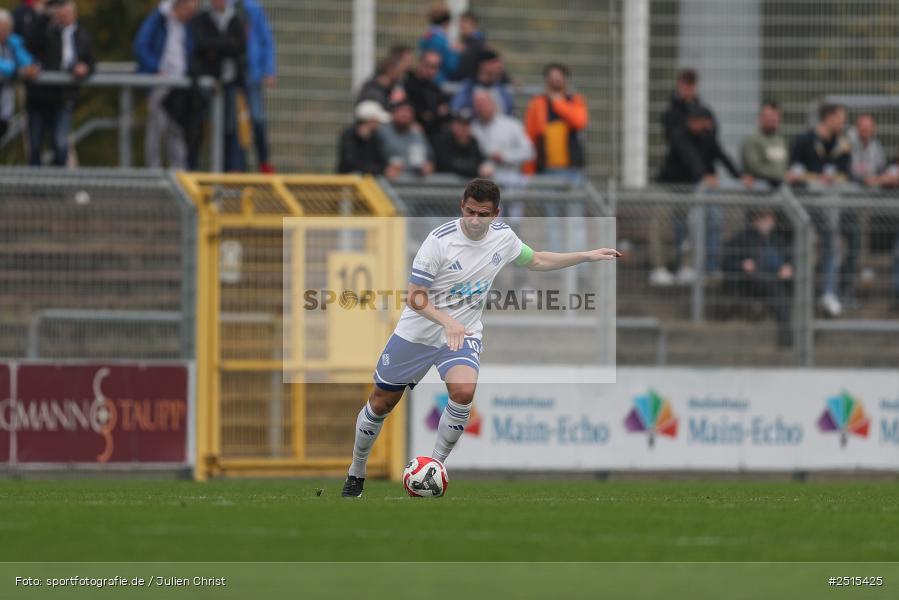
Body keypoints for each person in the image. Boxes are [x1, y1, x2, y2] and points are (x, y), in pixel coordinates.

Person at [340, 178, 621, 497]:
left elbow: (538, 260)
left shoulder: (503, 238)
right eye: (470, 212)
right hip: (418, 332)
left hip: (463, 334)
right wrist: (447, 321)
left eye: (483, 214)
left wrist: (586, 255)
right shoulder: (439, 241)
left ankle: (434, 468)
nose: (475, 220)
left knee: (463, 391)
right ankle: (356, 473)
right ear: (462, 206)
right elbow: (415, 297)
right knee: (381, 403)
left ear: (496, 214)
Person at [789, 103, 856, 317]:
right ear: (828, 117)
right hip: (806, 205)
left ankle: (828, 293)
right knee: (804, 247)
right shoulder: (804, 140)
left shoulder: (842, 145)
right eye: (840, 118)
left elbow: (845, 174)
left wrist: (832, 179)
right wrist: (817, 178)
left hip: (831, 206)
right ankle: (801, 295)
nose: (843, 123)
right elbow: (794, 172)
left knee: (832, 245)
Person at [25, 0, 94, 167]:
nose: (64, 18)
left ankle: (58, 184)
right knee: (35, 144)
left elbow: (91, 61)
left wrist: (85, 68)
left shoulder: (81, 35)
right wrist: (44, 17)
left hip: (64, 97)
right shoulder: (47, 31)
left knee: (61, 144)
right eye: (60, 14)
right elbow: (32, 45)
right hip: (40, 96)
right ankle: (35, 187)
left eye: (67, 14)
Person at [133, 0, 198, 169]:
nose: (191, 14)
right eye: (189, 10)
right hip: (160, 82)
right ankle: (153, 169)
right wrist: (156, 68)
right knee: (157, 127)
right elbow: (141, 46)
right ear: (180, 6)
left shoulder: (187, 25)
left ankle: (178, 170)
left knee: (176, 127)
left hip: (181, 83)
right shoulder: (159, 19)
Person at [722, 207, 794, 348]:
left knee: (786, 286)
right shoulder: (742, 238)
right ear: (755, 221)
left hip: (778, 279)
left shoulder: (777, 239)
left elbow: (789, 259)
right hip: (752, 281)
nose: (769, 222)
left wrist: (788, 267)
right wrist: (742, 265)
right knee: (774, 290)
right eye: (765, 218)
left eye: (770, 218)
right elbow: (727, 262)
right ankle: (786, 335)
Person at [191, 0, 246, 171]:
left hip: (229, 83)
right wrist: (227, 44)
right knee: (199, 126)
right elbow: (201, 44)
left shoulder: (235, 18)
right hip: (207, 82)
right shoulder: (202, 18)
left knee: (230, 129)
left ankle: (229, 171)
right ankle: (193, 168)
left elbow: (240, 46)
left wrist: (215, 47)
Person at [523, 62, 588, 182]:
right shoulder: (538, 103)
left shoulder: (575, 100)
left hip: (572, 168)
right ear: (546, 79)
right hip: (546, 168)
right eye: (552, 77)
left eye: (559, 76)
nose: (556, 80)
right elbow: (531, 135)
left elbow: (580, 122)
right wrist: (529, 169)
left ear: (565, 78)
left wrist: (557, 102)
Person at [236, 0, 277, 174]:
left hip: (252, 74)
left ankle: (263, 161)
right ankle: (237, 164)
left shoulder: (253, 8)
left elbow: (266, 39)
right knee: (234, 122)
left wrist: (269, 70)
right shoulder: (224, 6)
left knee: (258, 118)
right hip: (233, 75)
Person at [470, 90, 533, 179]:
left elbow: (529, 152)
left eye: (484, 103)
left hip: (510, 184)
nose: (481, 108)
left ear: (493, 103)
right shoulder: (472, 128)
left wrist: (504, 156)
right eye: (477, 104)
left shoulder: (512, 125)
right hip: (482, 185)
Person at [0, 8, 37, 140]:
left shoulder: (13, 43)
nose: (3, 32)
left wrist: (33, 66)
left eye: (5, 28)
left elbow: (25, 58)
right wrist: (17, 70)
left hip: (5, 101)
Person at [377, 100, 434, 178]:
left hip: (415, 184)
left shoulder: (418, 134)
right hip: (385, 183)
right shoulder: (381, 132)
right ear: (394, 113)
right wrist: (383, 169)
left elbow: (430, 158)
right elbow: (371, 157)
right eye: (401, 111)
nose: (404, 115)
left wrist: (428, 166)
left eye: (408, 112)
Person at [403, 49, 450, 145]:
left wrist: (432, 115)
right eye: (427, 65)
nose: (430, 70)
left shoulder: (435, 89)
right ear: (420, 63)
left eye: (435, 67)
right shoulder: (407, 83)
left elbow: (444, 112)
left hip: (432, 135)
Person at [741, 100, 791, 187]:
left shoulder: (780, 140)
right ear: (761, 118)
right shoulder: (752, 140)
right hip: (759, 191)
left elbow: (785, 163)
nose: (772, 119)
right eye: (769, 116)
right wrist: (781, 175)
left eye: (775, 116)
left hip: (780, 190)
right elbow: (755, 168)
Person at [450, 49, 514, 116]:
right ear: (483, 65)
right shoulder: (468, 89)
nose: (500, 66)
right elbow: (458, 109)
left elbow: (509, 113)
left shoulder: (501, 89)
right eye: (495, 62)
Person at [432, 108, 492, 178]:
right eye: (461, 124)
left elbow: (481, 161)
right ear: (454, 125)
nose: (463, 128)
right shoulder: (442, 140)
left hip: (467, 186)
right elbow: (446, 165)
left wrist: (486, 167)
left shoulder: (473, 142)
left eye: (466, 124)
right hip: (442, 186)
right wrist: (476, 170)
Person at [336, 100, 390, 176]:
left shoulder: (376, 137)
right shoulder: (349, 135)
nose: (379, 123)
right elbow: (350, 163)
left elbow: (382, 162)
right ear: (369, 120)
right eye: (377, 120)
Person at [418, 3, 458, 85]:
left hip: (423, 77)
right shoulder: (442, 39)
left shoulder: (426, 36)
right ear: (446, 23)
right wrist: (455, 52)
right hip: (438, 80)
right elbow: (451, 65)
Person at [847, 113, 886, 187]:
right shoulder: (848, 146)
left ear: (874, 128)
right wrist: (863, 180)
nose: (866, 129)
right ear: (857, 128)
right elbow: (845, 171)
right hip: (851, 190)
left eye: (869, 126)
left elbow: (881, 170)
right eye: (863, 126)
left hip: (873, 191)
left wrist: (877, 179)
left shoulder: (877, 148)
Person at [452, 10, 486, 82]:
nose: (461, 25)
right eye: (460, 22)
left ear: (474, 25)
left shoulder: (478, 45)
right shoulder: (460, 43)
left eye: (465, 22)